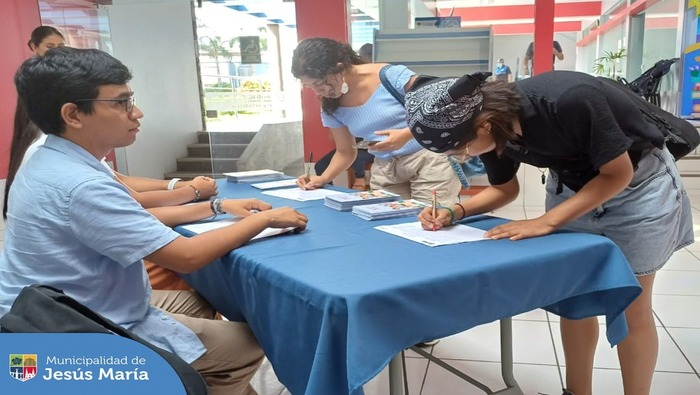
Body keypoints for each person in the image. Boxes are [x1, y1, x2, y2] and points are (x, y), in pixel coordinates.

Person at [1, 47, 309, 394]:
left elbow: (129, 215)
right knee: (246, 345)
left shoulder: (52, 155)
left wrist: (217, 206)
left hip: (52, 304)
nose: (137, 113)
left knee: (201, 298)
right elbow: (187, 256)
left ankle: (184, 374)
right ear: (73, 114)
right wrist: (265, 218)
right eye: (122, 103)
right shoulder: (80, 184)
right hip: (71, 324)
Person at [405, 70, 694, 395]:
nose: (463, 156)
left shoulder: (569, 99)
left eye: (460, 149)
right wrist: (454, 211)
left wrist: (547, 221)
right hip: (572, 185)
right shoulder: (486, 126)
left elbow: (617, 173)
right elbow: (504, 190)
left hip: (637, 184)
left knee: (631, 303)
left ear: (483, 123)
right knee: (573, 297)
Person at [291, 37, 462, 205]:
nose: (317, 91)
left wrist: (406, 135)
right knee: (388, 224)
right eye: (309, 86)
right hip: (385, 168)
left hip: (428, 159)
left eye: (320, 83)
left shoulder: (390, 76)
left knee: (432, 221)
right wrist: (323, 178)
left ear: (339, 68)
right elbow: (345, 151)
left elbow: (443, 109)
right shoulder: (329, 104)